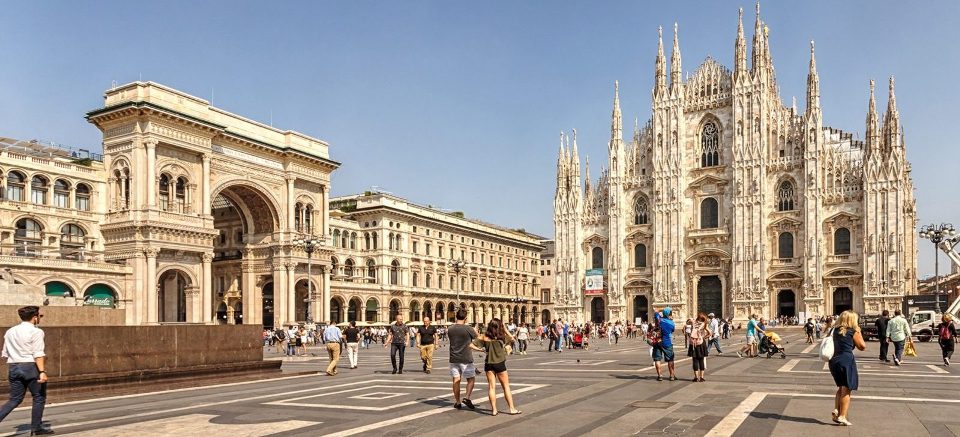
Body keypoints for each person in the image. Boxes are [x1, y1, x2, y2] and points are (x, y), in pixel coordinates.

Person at [0, 306, 53, 435]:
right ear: (34, 318)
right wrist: (42, 372)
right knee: (39, 397)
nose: (40, 318)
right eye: (39, 316)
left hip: (13, 366)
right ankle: (36, 428)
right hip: (30, 367)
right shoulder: (36, 332)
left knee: (14, 399)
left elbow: (5, 353)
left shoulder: (10, 331)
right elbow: (38, 353)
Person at [470, 318, 521, 416]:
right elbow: (513, 339)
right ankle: (512, 408)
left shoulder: (484, 337)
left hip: (489, 364)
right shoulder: (501, 337)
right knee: (506, 387)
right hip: (500, 363)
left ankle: (494, 410)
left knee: (491, 387)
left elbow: (471, 345)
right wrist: (506, 330)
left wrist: (481, 350)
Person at [828, 310, 866, 426]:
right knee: (847, 388)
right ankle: (842, 416)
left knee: (840, 387)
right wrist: (858, 333)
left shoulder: (833, 330)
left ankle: (837, 410)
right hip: (846, 360)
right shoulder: (852, 331)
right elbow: (862, 347)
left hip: (833, 361)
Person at [448, 309, 477, 410]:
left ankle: (458, 402)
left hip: (453, 358)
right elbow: (477, 337)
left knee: (456, 380)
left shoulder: (450, 329)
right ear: (465, 318)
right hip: (466, 358)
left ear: (456, 316)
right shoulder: (468, 328)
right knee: (471, 379)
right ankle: (467, 397)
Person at [688, 313, 711, 382]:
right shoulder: (704, 324)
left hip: (693, 343)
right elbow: (710, 333)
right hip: (701, 343)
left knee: (695, 360)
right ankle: (701, 377)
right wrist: (704, 337)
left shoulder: (693, 323)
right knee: (701, 360)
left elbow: (687, 323)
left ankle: (696, 377)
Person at [659, 307, 678, 381]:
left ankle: (660, 375)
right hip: (667, 342)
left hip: (658, 342)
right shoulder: (670, 322)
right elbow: (673, 330)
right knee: (670, 359)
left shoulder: (659, 321)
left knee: (658, 359)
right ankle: (672, 375)